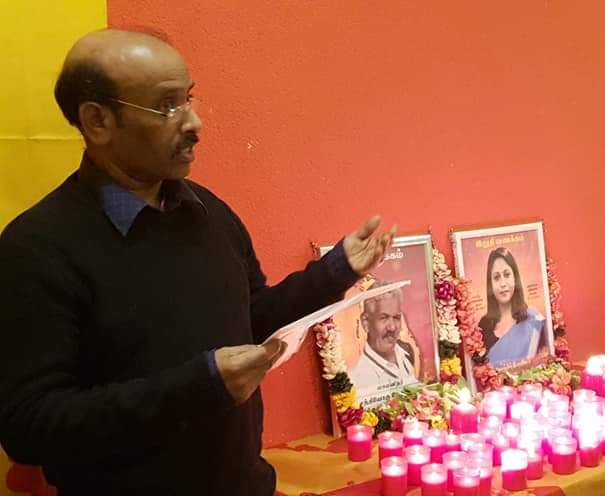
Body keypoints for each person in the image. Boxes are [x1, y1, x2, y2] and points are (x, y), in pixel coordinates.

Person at [0, 29, 396, 495]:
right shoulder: (37, 247)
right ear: (97, 121)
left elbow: (251, 320)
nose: (194, 123)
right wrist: (197, 386)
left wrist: (334, 273)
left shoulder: (210, 213)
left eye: (188, 99)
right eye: (167, 106)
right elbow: (30, 426)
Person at [477, 247, 547, 368]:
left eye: (507, 275)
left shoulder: (534, 320)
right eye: (496, 278)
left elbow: (544, 364)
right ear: (490, 284)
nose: (503, 284)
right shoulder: (483, 326)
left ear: (515, 278)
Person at [349, 286, 419, 401]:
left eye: (396, 317)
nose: (392, 327)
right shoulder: (356, 379)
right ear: (366, 322)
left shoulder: (407, 351)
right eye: (383, 318)